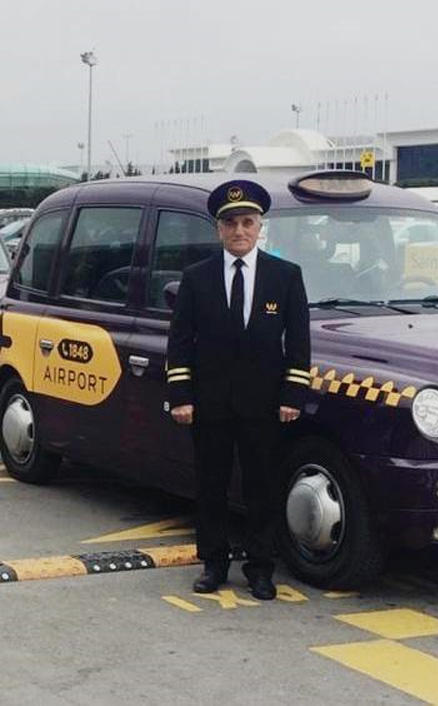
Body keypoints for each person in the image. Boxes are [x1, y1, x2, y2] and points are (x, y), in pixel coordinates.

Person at [166, 179, 311, 601]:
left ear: (260, 226)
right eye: (231, 224)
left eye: (247, 222)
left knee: (261, 488)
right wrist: (181, 396)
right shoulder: (196, 278)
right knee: (211, 486)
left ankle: (261, 568)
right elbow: (180, 341)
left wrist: (291, 396)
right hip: (210, 405)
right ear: (218, 229)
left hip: (263, 406)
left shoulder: (285, 277)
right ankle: (213, 564)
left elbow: (298, 343)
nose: (239, 231)